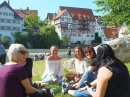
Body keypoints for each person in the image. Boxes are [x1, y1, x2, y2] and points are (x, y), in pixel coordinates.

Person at [64, 44, 130, 97]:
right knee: (88, 90)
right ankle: (71, 89)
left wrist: (90, 90)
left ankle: (67, 91)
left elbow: (98, 96)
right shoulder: (121, 65)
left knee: (89, 93)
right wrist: (88, 86)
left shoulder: (105, 69)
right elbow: (100, 79)